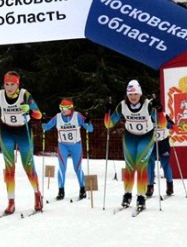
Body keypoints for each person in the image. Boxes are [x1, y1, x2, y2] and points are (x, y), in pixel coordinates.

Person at [0, 71, 43, 215]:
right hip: (6, 132)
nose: (9, 87)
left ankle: (37, 195)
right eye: (7, 84)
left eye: (12, 84)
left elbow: (39, 114)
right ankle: (11, 201)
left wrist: (30, 111)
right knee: (9, 168)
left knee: (28, 166)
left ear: (17, 84)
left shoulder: (25, 95)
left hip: (23, 132)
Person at [104, 79, 162, 212]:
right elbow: (109, 124)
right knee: (130, 166)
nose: (133, 97)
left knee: (141, 164)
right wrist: (107, 112)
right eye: (130, 94)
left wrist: (159, 110)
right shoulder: (122, 105)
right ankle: (127, 194)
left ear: (140, 94)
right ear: (127, 95)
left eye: (135, 94)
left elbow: (162, 124)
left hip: (146, 136)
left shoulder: (148, 105)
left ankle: (141, 196)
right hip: (130, 137)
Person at [41, 98, 93, 201]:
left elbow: (90, 129)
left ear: (71, 108)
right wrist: (43, 122)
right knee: (62, 168)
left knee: (77, 167)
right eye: (61, 108)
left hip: (76, 145)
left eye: (65, 108)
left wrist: (88, 121)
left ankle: (82, 189)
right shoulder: (57, 117)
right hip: (62, 145)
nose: (63, 110)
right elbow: (45, 128)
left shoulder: (77, 116)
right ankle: (61, 190)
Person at [147, 113, 176, 197]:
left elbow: (172, 126)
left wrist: (168, 126)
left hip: (163, 142)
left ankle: (170, 185)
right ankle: (149, 186)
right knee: (149, 164)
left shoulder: (163, 115)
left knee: (165, 164)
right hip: (151, 143)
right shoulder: (146, 114)